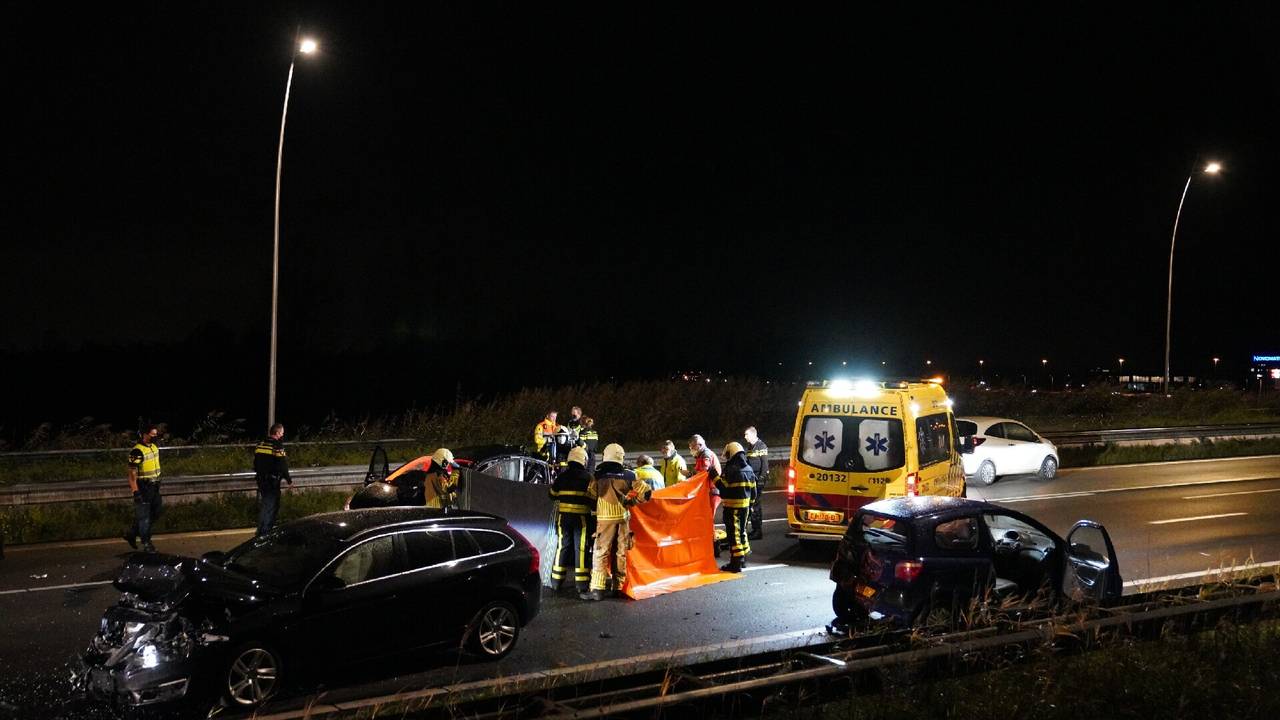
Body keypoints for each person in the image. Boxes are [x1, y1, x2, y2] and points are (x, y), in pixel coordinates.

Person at [583, 443, 652, 601]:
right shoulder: (629, 474)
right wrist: (630, 502)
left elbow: (590, 495)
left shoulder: (598, 474)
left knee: (601, 552)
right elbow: (646, 493)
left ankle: (597, 589)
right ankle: (618, 587)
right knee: (620, 552)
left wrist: (597, 507)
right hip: (622, 519)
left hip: (604, 520)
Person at [548, 446, 597, 594]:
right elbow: (593, 498)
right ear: (583, 460)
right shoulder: (589, 477)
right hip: (581, 519)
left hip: (563, 518)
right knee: (580, 548)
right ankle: (581, 584)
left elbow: (552, 494)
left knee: (562, 546)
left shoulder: (562, 476)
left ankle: (556, 581)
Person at [717, 441, 758, 572]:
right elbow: (754, 491)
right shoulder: (749, 469)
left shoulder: (731, 470)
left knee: (733, 535)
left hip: (732, 508)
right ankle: (743, 559)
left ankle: (736, 563)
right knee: (742, 533)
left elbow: (723, 489)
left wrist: (714, 477)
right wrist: (750, 506)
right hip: (745, 508)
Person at [122, 425, 163, 552]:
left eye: (156, 435)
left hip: (155, 486)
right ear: (144, 434)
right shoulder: (137, 451)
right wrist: (136, 492)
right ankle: (146, 543)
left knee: (156, 512)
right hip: (144, 487)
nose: (155, 437)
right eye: (152, 435)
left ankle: (132, 533)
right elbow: (131, 475)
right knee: (145, 517)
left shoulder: (154, 447)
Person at [253, 423, 293, 536]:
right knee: (271, 506)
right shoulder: (277, 445)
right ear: (278, 433)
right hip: (272, 481)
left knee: (265, 504)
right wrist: (289, 480)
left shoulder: (260, 444)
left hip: (261, 480)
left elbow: (255, 463)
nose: (283, 434)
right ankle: (265, 532)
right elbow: (282, 465)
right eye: (282, 433)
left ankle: (260, 530)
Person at [743, 426, 770, 541]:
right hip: (751, 479)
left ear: (753, 434)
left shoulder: (761, 446)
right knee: (752, 505)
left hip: (758, 480)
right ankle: (755, 529)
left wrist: (761, 479)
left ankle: (758, 531)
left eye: (746, 434)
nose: (745, 437)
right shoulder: (750, 447)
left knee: (755, 505)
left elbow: (765, 465)